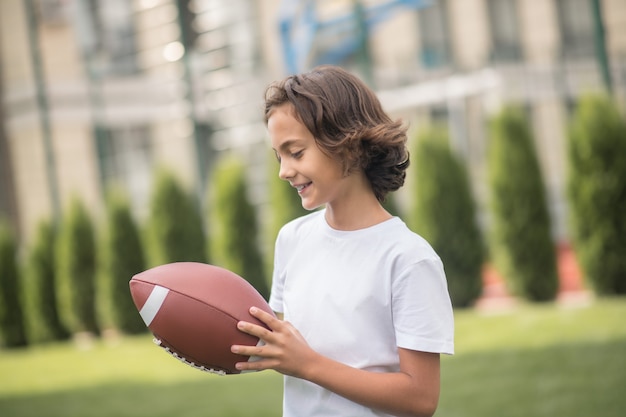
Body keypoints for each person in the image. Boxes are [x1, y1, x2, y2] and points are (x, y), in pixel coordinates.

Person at [231, 65, 454, 417]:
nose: (283, 171)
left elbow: (420, 398)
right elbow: (272, 343)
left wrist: (308, 365)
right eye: (279, 156)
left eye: (296, 152)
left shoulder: (407, 258)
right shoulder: (292, 239)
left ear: (348, 144)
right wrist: (183, 325)